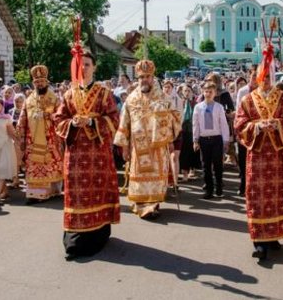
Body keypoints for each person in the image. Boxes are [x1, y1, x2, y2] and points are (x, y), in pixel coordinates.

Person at [54, 49, 120, 260]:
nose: (83, 68)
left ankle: (98, 232)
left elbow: (114, 120)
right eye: (79, 64)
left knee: (97, 191)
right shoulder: (68, 94)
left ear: (95, 67)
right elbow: (58, 121)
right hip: (75, 155)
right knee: (76, 194)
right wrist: (72, 123)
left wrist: (91, 121)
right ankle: (75, 238)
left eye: (88, 64)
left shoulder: (104, 93)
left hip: (97, 155)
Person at [234, 61, 283, 260]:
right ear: (257, 78)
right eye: (262, 77)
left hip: (278, 158)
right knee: (257, 197)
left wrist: (278, 124)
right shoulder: (247, 100)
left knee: (277, 197)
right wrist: (258, 127)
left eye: (269, 77)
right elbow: (239, 125)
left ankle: (274, 235)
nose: (265, 81)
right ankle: (259, 242)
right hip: (258, 158)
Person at [114, 60, 181, 220]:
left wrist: (165, 123)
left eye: (148, 76)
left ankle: (153, 204)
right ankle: (141, 204)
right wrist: (124, 146)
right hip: (138, 147)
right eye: (141, 77)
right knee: (140, 176)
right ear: (137, 78)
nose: (145, 79)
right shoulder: (131, 99)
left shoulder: (163, 98)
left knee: (156, 176)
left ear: (153, 77)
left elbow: (176, 118)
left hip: (157, 147)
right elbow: (124, 123)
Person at [17, 65, 63, 204]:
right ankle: (34, 194)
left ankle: (52, 191)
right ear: (33, 83)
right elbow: (22, 118)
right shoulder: (29, 99)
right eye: (37, 82)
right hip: (32, 140)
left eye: (42, 81)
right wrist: (21, 137)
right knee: (33, 166)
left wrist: (48, 115)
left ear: (46, 82)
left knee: (49, 165)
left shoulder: (54, 98)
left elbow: (61, 117)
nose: (39, 84)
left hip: (50, 139)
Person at [193, 82, 230, 199]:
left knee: (218, 164)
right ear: (203, 92)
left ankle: (219, 186)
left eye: (210, 92)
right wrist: (195, 139)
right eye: (206, 91)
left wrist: (226, 140)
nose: (208, 94)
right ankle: (209, 189)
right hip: (204, 139)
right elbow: (196, 124)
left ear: (215, 93)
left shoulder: (219, 107)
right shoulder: (198, 107)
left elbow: (223, 124)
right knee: (206, 165)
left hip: (216, 139)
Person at [235, 66, 258, 196]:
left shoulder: (262, 91)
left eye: (257, 76)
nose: (255, 78)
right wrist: (239, 131)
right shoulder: (243, 91)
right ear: (249, 75)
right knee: (243, 159)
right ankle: (243, 185)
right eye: (253, 75)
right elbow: (239, 111)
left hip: (259, 130)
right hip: (245, 129)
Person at [178, 84, 199, 180]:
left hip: (192, 129)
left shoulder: (195, 103)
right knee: (183, 151)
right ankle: (184, 173)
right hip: (182, 130)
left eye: (189, 91)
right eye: (185, 91)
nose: (187, 93)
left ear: (192, 92)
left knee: (192, 150)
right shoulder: (180, 102)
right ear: (182, 92)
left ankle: (192, 169)